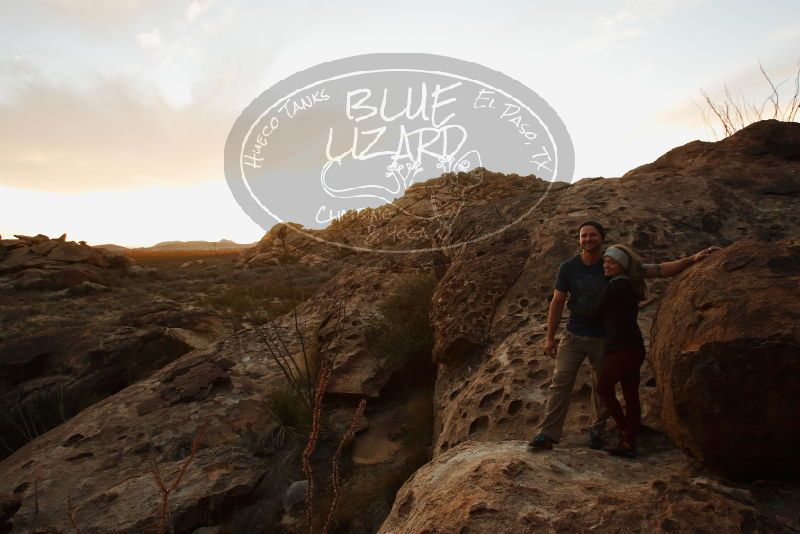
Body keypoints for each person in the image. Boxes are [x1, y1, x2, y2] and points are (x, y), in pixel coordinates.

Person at [529, 221, 717, 450]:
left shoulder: (613, 263)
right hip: (573, 335)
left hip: (604, 339)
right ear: (579, 239)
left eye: (592, 235)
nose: (587, 239)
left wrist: (692, 259)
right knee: (560, 383)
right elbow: (558, 301)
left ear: (602, 237)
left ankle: (597, 431)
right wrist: (550, 337)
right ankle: (546, 434)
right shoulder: (569, 267)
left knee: (601, 386)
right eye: (583, 235)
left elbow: (657, 270)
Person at [589, 244, 647, 458]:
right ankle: (629, 442)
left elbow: (595, 312)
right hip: (635, 347)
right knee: (631, 395)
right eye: (605, 261)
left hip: (620, 347)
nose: (606, 265)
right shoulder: (631, 286)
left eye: (612, 262)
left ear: (622, 265)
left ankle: (625, 430)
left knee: (603, 387)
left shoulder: (613, 287)